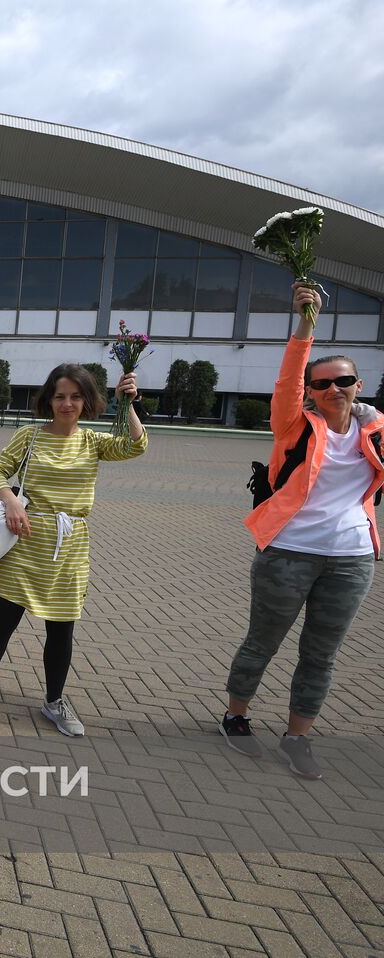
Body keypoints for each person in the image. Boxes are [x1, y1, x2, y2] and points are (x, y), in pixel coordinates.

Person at [221, 283, 383, 779]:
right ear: (311, 392)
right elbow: (288, 379)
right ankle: (236, 716)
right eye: (323, 383)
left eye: (344, 380)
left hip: (352, 559)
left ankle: (297, 737)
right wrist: (305, 326)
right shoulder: (294, 425)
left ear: (359, 384)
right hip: (288, 552)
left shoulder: (376, 430)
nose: (334, 388)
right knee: (262, 641)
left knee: (321, 654)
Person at [0, 363, 146, 736]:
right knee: (3, 621)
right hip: (25, 539)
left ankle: (54, 701)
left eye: (76, 396)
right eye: (60, 396)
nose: (67, 404)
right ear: (49, 399)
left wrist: (127, 402)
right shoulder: (29, 436)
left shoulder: (92, 442)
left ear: (87, 400)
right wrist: (11, 501)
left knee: (62, 629)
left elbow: (136, 445)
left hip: (70, 548)